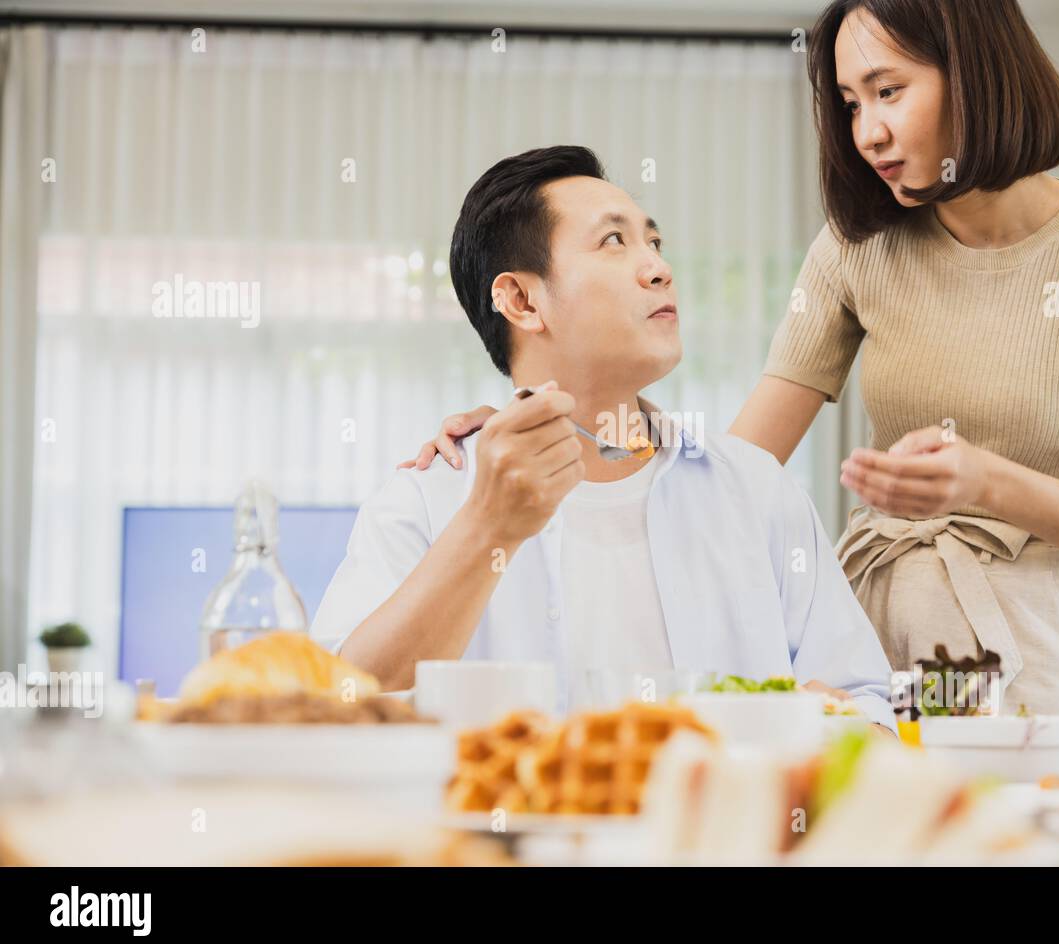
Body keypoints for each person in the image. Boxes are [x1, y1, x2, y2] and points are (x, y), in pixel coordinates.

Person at [403, 0, 1059, 758]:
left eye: (889, 92)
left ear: (976, 71)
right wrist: (543, 415)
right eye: (851, 104)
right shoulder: (858, 248)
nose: (869, 133)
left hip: (1024, 645)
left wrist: (984, 482)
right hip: (878, 641)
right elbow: (731, 479)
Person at [312, 145, 896, 732]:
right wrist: (487, 525)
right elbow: (336, 708)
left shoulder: (755, 489)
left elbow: (868, 704)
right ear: (521, 300)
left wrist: (823, 725)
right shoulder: (428, 497)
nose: (659, 268)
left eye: (655, 242)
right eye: (614, 242)